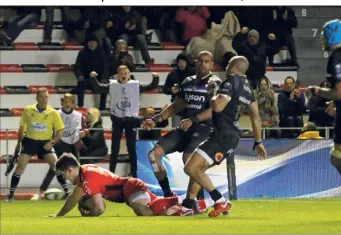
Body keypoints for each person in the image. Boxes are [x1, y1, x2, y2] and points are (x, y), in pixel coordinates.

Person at [171, 56, 267, 217]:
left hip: (221, 136)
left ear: (234, 67)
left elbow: (217, 106)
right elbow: (256, 118)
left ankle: (220, 201)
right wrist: (258, 141)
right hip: (230, 136)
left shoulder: (229, 83)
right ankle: (188, 205)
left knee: (191, 168)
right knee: (198, 169)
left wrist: (212, 92)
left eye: (229, 64)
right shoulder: (248, 89)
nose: (227, 66)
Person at [141, 51, 221, 198]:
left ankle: (199, 200)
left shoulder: (214, 83)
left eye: (206, 61)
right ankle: (168, 194)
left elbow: (215, 109)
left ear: (212, 65)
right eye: (200, 61)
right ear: (196, 62)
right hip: (186, 126)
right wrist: (155, 120)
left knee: (189, 159)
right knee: (153, 154)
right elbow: (177, 105)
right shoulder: (188, 81)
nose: (202, 64)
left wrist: (193, 119)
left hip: (205, 128)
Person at [306, 19, 341, 221]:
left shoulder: (337, 58)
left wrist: (318, 91)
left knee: (340, 161)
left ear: (330, 36)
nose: (322, 39)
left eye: (323, 34)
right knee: (340, 160)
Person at [49, 153, 213, 217]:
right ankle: (195, 202)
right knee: (154, 206)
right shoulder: (84, 173)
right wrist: (59, 215)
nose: (64, 178)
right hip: (129, 188)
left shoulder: (86, 179)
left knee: (144, 212)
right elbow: (73, 198)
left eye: (63, 174)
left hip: (131, 189)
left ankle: (180, 209)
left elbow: (100, 209)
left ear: (69, 170)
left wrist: (87, 215)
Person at [90, 65, 159, 176]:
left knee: (131, 149)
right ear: (118, 75)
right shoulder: (113, 85)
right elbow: (98, 88)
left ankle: (135, 175)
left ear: (129, 74)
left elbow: (150, 87)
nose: (124, 75)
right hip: (117, 119)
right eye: (122, 73)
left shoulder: (134, 85)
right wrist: (93, 78)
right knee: (115, 149)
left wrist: (155, 78)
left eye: (126, 73)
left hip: (130, 120)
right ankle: (111, 174)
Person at [5, 88, 65, 202]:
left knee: (56, 166)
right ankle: (11, 196)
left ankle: (67, 193)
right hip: (30, 141)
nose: (44, 99)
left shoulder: (53, 112)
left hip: (45, 142)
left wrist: (52, 142)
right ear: (37, 98)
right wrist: (18, 144)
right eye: (42, 97)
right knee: (20, 167)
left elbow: (60, 131)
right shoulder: (28, 110)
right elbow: (21, 128)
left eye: (46, 97)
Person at [31, 93, 84, 200]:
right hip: (59, 143)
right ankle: (41, 192)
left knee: (78, 169)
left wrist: (79, 139)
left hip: (73, 143)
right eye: (65, 101)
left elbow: (78, 131)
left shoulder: (78, 115)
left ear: (73, 103)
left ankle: (83, 191)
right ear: (62, 102)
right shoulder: (55, 113)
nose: (67, 104)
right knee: (54, 168)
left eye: (70, 101)